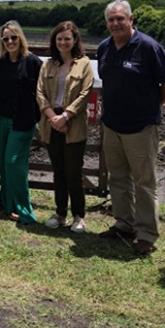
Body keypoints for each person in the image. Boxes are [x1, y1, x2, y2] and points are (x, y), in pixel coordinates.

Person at [96, 0, 165, 255]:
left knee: (144, 183)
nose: (115, 23)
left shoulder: (149, 47)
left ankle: (146, 234)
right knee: (117, 178)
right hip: (112, 125)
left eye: (120, 19)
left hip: (141, 128)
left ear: (131, 20)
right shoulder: (104, 48)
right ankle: (124, 223)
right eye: (111, 20)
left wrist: (153, 106)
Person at [37, 21, 95, 233]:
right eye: (59, 38)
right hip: (52, 124)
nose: (63, 42)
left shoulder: (85, 64)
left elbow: (85, 93)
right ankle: (60, 213)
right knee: (58, 172)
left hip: (74, 125)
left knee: (73, 172)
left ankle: (79, 216)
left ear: (74, 40)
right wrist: (54, 118)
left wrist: (66, 116)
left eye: (67, 38)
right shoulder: (48, 65)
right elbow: (40, 93)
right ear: (55, 41)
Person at [0, 21, 42, 224]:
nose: (10, 41)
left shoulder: (33, 62)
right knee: (3, 164)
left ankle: (25, 211)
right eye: (6, 38)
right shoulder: (0, 62)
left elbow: (42, 92)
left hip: (23, 121)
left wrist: (38, 116)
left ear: (20, 38)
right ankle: (7, 203)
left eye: (14, 37)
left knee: (14, 164)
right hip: (3, 119)